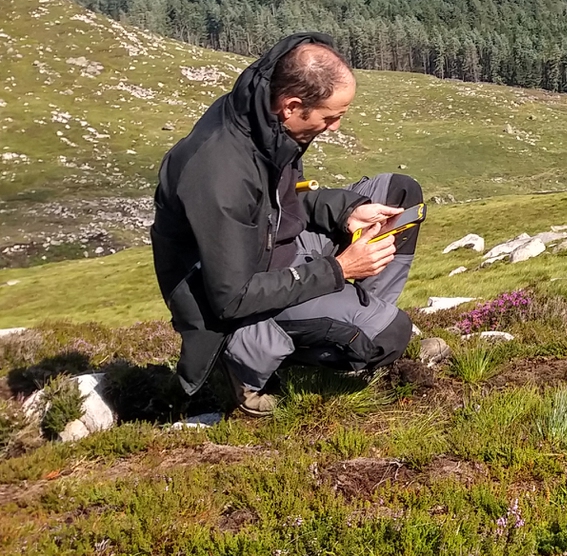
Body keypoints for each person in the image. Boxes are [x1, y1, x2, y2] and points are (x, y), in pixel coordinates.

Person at [152, 33, 426, 416]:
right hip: (237, 300)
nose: (335, 128)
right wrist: (340, 269)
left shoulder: (264, 123)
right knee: (390, 335)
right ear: (292, 105)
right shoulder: (221, 173)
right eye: (330, 117)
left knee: (398, 194)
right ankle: (247, 357)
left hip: (281, 251)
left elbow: (279, 205)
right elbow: (231, 297)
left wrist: (346, 211)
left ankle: (362, 313)